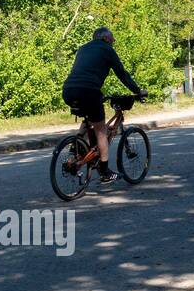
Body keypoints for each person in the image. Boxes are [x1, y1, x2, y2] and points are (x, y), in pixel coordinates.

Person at [61, 27, 147, 183]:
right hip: (88, 91)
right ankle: (105, 172)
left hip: (68, 91)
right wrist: (138, 91)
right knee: (101, 131)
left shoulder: (83, 48)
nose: (113, 41)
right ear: (106, 38)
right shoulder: (107, 50)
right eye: (112, 39)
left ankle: (76, 148)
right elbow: (122, 74)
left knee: (88, 117)